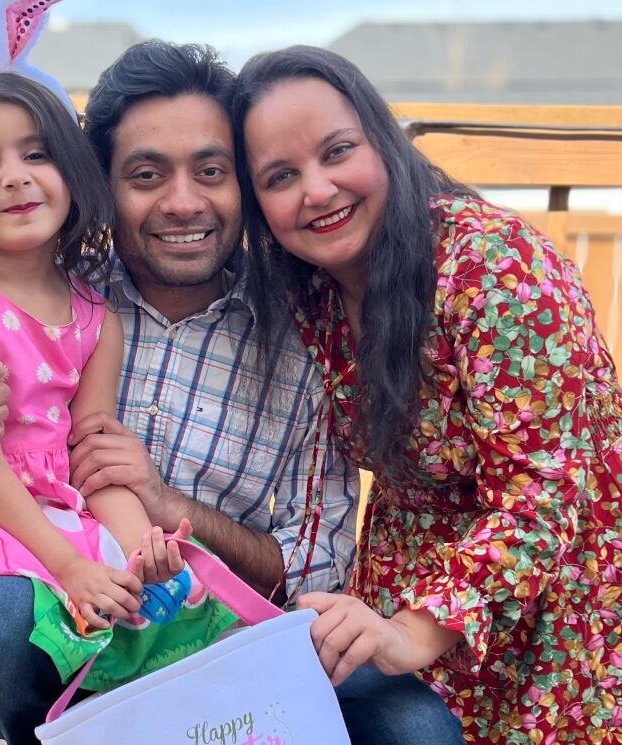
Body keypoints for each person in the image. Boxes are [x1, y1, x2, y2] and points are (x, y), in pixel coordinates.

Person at [0, 42, 366, 744]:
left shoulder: (305, 334)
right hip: (74, 632)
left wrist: (166, 514)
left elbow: (318, 561)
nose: (182, 201)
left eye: (211, 171)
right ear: (100, 182)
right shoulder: (37, 286)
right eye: (146, 173)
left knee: (410, 717)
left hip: (222, 642)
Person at [234, 45, 622, 744]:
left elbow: (549, 494)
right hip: (396, 605)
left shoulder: (493, 265)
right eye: (281, 175)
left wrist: (415, 627)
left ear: (382, 141)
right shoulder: (311, 292)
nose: (317, 190)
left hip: (554, 610)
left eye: (337, 151)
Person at [0, 67, 236, 685]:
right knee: (34, 618)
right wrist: (68, 566)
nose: (16, 176)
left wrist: (141, 547)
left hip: (71, 505)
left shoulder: (95, 317)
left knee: (161, 590)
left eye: (36, 154)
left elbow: (93, 455)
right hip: (0, 507)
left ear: (73, 179)